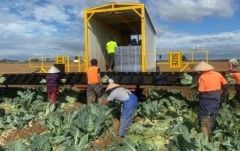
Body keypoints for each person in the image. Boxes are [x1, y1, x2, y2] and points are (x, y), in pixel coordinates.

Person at [194, 61, 228, 139]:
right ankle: (210, 132)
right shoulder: (218, 74)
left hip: (206, 99)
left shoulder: (202, 77)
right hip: (216, 99)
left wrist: (197, 92)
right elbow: (226, 85)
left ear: (202, 70)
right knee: (213, 115)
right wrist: (222, 95)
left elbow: (201, 90)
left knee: (204, 117)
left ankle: (206, 137)